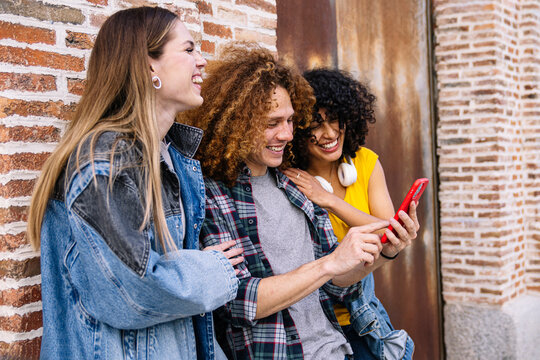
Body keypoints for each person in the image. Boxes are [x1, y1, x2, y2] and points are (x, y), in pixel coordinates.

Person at [26, 7, 241, 359]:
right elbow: (131, 293)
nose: (201, 61)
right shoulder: (102, 166)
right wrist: (215, 270)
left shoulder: (172, 156)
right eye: (188, 50)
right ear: (148, 65)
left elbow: (185, 315)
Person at [182, 45, 418, 360]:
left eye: (291, 121)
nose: (287, 134)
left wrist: (384, 254)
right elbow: (235, 300)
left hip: (337, 351)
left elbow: (337, 285)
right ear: (236, 122)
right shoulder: (212, 195)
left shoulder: (293, 186)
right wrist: (328, 264)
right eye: (272, 123)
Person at [285, 68, 418, 359]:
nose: (329, 133)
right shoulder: (293, 180)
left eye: (334, 119)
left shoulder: (365, 163)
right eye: (315, 125)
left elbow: (388, 231)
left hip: (364, 318)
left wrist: (330, 201)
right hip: (315, 326)